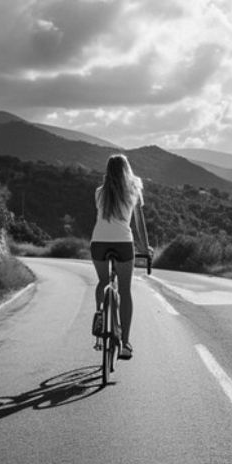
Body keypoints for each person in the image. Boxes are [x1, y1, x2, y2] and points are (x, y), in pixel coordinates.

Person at [90, 154, 150, 360]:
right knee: (124, 290)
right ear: (127, 170)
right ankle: (125, 344)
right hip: (123, 243)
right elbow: (139, 225)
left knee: (103, 282)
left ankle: (100, 315)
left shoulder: (99, 192)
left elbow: (101, 218)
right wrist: (145, 247)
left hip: (98, 243)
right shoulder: (134, 191)